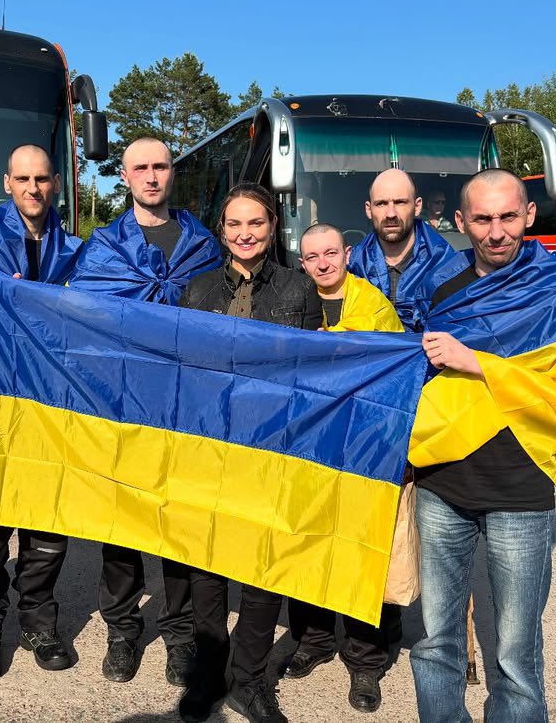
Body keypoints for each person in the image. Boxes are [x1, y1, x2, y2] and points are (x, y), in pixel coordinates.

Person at [408, 169, 556, 723]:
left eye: (508, 217)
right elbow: (416, 376)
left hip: (520, 487)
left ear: (529, 215)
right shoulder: (440, 291)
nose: (497, 232)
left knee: (516, 655)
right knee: (434, 643)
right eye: (483, 219)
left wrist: (477, 362)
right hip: (441, 484)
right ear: (461, 221)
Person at [68, 137, 221, 686]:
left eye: (160, 166)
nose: (151, 176)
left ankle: (180, 634)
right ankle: (122, 630)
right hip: (124, 403)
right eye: (141, 168)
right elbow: (80, 319)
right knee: (123, 521)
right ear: (126, 176)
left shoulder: (205, 245)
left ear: (172, 173)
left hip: (186, 405)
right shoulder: (104, 248)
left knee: (179, 522)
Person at [177, 183, 321, 723]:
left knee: (265, 566)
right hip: (210, 444)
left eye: (256, 223)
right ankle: (209, 671)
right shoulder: (196, 291)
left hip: (273, 446)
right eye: (235, 224)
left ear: (272, 226)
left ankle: (250, 678)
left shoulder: (299, 289)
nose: (245, 234)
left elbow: (315, 369)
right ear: (221, 230)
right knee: (206, 563)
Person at [0, 145, 83, 681]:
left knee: (47, 517)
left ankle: (38, 621)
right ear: (7, 183)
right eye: (23, 179)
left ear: (56, 184)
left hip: (52, 402)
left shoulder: (77, 252)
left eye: (42, 179)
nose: (33, 188)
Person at [288, 222, 403, 713]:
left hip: (363, 445)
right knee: (307, 543)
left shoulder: (375, 306)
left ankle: (366, 659)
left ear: (348, 254)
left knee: (363, 551)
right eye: (313, 256)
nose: (323, 263)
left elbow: (397, 374)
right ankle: (314, 640)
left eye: (331, 253)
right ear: (302, 263)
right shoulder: (293, 303)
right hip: (309, 444)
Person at [349, 169, 466, 330]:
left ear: (417, 206)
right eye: (381, 203)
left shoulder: (447, 266)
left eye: (400, 202)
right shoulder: (351, 266)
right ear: (369, 210)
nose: (391, 214)